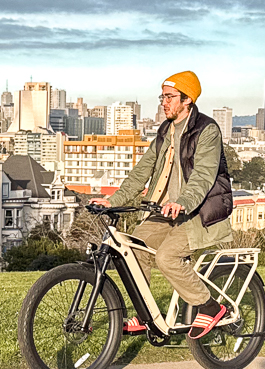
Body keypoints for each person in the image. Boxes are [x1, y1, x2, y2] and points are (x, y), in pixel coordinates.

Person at [90, 70, 234, 339]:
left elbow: (203, 176)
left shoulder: (207, 130)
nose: (163, 102)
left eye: (170, 97)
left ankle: (211, 307)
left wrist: (181, 202)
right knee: (132, 249)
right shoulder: (166, 130)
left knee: (167, 258)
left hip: (198, 213)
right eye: (162, 97)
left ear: (187, 99)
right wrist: (113, 200)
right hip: (166, 212)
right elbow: (141, 171)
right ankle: (146, 317)